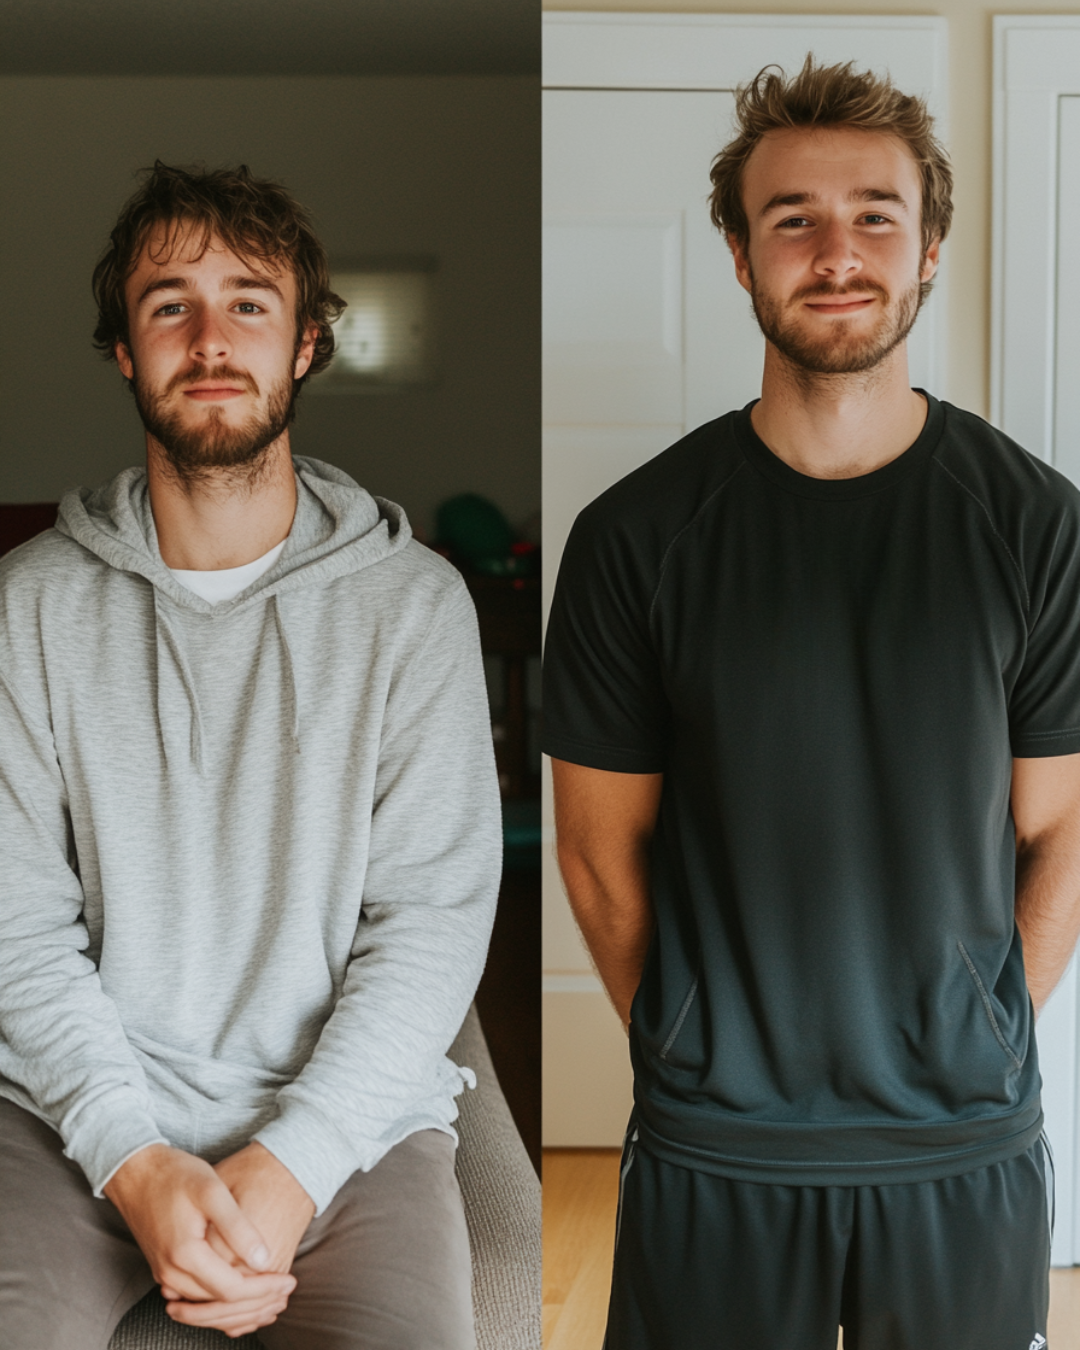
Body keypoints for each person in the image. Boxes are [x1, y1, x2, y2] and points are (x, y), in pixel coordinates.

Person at [543, 57, 1080, 1349]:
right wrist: (693, 1042)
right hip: (716, 1146)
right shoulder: (635, 537)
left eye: (875, 215)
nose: (836, 251)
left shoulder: (1035, 526)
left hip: (960, 1139)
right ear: (738, 253)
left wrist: (986, 1027)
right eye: (793, 218)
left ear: (931, 246)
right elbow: (597, 851)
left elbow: (1059, 827)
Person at [0, 161, 501, 1348]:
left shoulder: (416, 608)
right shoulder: (27, 608)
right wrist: (134, 1160)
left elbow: (430, 921)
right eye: (169, 303)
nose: (210, 336)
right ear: (124, 349)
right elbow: (13, 927)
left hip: (351, 1128)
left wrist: (293, 1167)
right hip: (69, 1121)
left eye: (250, 303)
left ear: (307, 345)